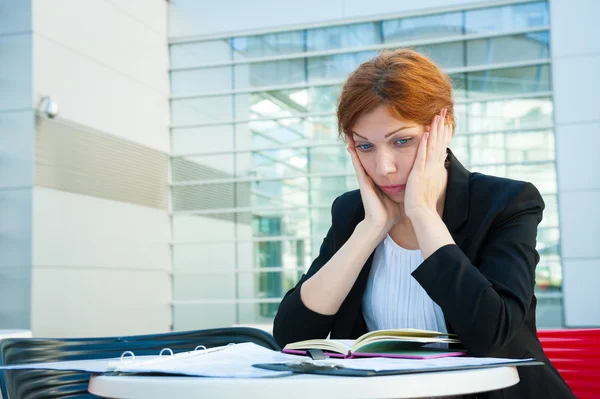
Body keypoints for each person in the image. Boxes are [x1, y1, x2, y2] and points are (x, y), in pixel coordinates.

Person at [272, 49, 575, 399]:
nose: (383, 167)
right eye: (365, 146)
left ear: (443, 128)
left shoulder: (505, 202)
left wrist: (423, 213)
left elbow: (491, 333)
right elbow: (291, 336)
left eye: (402, 141)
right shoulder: (352, 212)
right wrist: (370, 229)